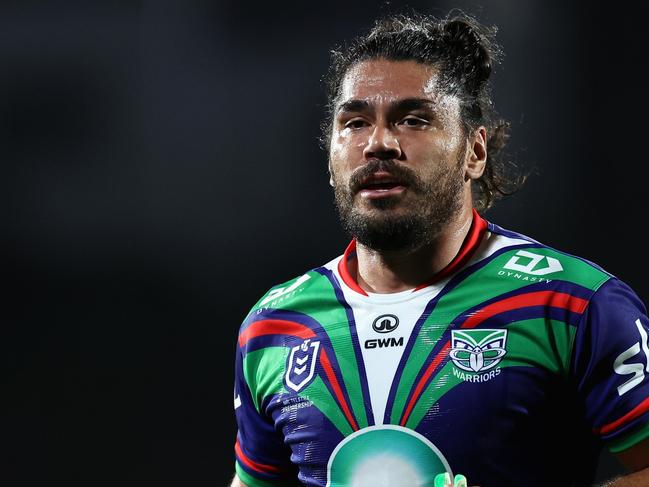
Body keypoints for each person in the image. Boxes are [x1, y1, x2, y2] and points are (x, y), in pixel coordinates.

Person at [230, 11, 649, 487]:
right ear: (330, 155)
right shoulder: (273, 326)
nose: (379, 143)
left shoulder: (572, 304)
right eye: (355, 122)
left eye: (412, 119)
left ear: (475, 151)